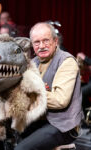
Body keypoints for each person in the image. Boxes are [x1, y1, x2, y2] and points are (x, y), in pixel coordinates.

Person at [14, 22, 84, 150]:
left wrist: (29, 93)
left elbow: (60, 100)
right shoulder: (32, 62)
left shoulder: (66, 61)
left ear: (55, 41)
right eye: (36, 42)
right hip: (38, 121)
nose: (41, 46)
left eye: (46, 41)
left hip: (62, 126)